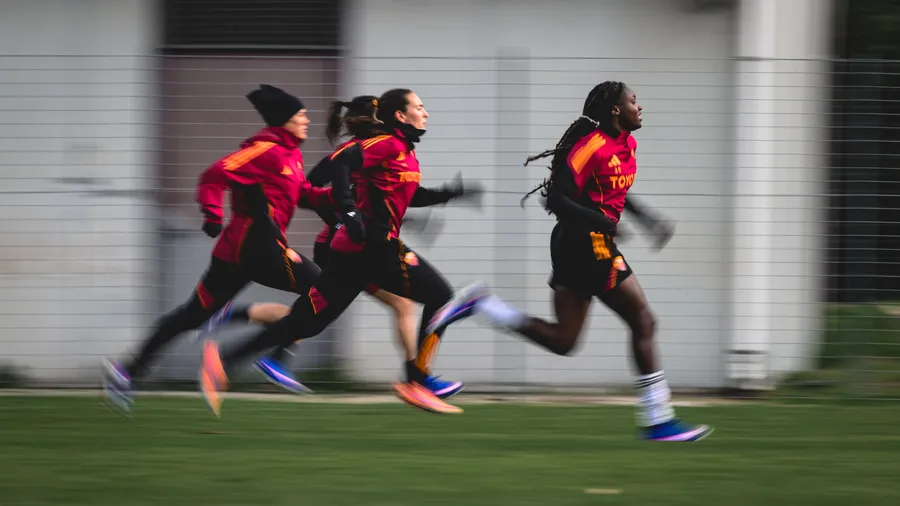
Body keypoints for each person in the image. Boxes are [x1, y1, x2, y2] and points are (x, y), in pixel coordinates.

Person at [424, 81, 714, 442]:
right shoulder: (589, 146)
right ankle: (658, 419)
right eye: (633, 101)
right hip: (584, 243)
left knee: (565, 340)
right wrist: (601, 221)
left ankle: (484, 305)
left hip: (583, 243)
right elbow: (557, 199)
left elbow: (616, 189)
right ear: (614, 110)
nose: (640, 107)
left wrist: (646, 219)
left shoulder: (627, 144)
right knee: (643, 319)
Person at [198, 88, 482, 417]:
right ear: (401, 116)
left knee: (307, 322)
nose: (426, 113)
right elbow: (342, 161)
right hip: (375, 248)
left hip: (352, 254)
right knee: (442, 296)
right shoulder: (387, 143)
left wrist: (449, 194)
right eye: (420, 107)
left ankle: (222, 361)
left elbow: (407, 193)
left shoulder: (403, 151)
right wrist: (348, 211)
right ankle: (417, 383)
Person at [101, 84, 332, 415]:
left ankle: (128, 372)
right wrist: (212, 213)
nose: (308, 120)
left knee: (193, 315)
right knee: (323, 289)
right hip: (255, 246)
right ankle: (261, 359)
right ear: (284, 120)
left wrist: (340, 199)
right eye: (302, 115)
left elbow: (302, 194)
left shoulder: (290, 155)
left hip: (240, 254)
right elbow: (214, 175)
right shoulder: (265, 149)